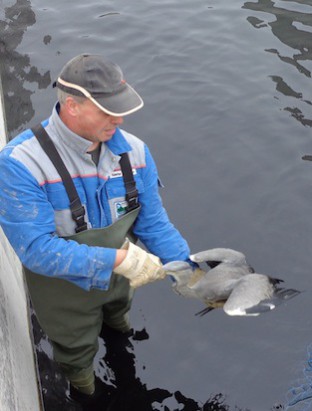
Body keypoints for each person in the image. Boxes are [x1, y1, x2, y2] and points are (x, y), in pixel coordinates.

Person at [0, 54, 193, 407]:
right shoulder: (20, 165)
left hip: (120, 279)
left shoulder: (135, 152)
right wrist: (120, 259)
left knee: (119, 321)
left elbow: (152, 223)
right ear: (71, 106)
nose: (118, 119)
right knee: (76, 353)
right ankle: (87, 391)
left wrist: (188, 269)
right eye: (107, 111)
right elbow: (36, 251)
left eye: (120, 109)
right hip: (65, 293)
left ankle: (118, 334)